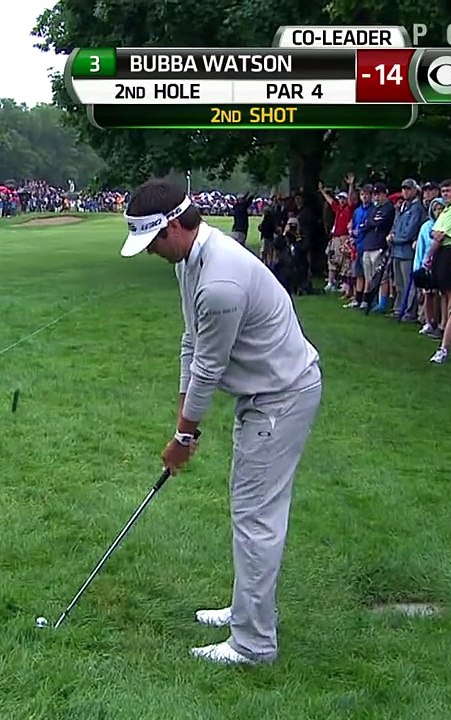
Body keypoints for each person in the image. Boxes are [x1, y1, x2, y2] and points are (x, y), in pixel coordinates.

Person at [119, 178, 324, 666]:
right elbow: (191, 345)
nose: (150, 253)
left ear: (172, 226)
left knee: (256, 518)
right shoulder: (189, 261)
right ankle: (246, 612)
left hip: (281, 395)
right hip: (262, 396)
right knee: (248, 511)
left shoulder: (220, 282)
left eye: (152, 242)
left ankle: (254, 645)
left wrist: (184, 436)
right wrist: (181, 427)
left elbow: (210, 368)